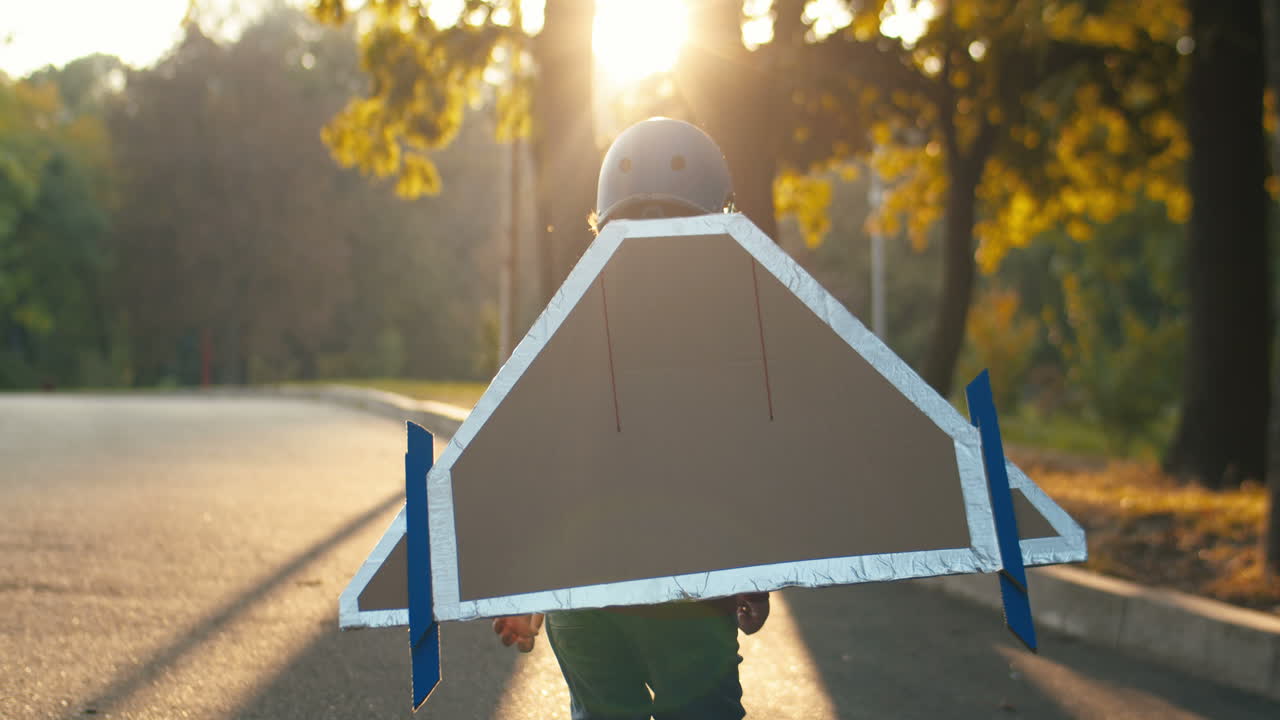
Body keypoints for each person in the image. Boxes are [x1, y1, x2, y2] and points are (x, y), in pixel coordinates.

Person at [492, 117, 770, 720]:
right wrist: (755, 572)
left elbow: (542, 460)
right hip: (689, 598)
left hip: (583, 598)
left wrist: (527, 587)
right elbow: (744, 467)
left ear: (602, 226)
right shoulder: (732, 333)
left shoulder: (571, 328)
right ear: (715, 220)